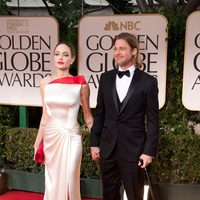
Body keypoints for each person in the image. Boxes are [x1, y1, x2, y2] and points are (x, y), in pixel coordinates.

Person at [90, 32, 159, 200]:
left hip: (134, 150)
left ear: (134, 51)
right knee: (109, 194)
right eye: (115, 49)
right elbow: (100, 113)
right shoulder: (105, 78)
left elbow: (153, 121)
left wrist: (148, 151)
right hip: (108, 148)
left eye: (122, 48)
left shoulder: (148, 81)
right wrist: (94, 143)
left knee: (134, 195)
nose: (117, 52)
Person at [34, 41, 93, 200]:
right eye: (57, 54)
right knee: (52, 181)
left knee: (70, 177)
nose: (61, 57)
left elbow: (88, 117)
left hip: (71, 136)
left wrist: (96, 141)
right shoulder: (45, 83)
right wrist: (38, 142)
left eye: (65, 54)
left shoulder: (81, 84)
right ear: (53, 57)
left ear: (72, 60)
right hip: (51, 138)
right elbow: (45, 116)